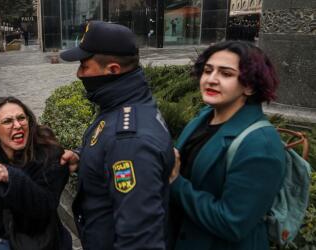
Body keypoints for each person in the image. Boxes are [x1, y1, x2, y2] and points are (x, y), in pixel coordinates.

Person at [59, 20, 174, 250]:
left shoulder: (129, 141)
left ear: (112, 70)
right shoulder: (123, 103)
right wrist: (83, 157)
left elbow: (140, 242)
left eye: (84, 65)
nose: (79, 73)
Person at [168, 41, 286, 250]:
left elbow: (232, 223)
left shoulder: (261, 145)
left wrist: (176, 183)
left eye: (226, 74)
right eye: (207, 70)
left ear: (249, 86)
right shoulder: (204, 117)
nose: (211, 80)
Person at [0, 96, 72, 250]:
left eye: (21, 118)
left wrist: (11, 177)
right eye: (7, 121)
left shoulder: (48, 154)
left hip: (40, 239)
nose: (17, 125)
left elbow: (46, 204)